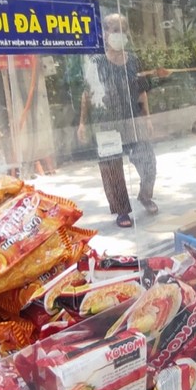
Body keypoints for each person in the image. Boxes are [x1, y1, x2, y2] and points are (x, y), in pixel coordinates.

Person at [77, 13, 158, 229]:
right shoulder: (96, 62)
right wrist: (82, 123)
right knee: (112, 169)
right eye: (114, 29)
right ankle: (122, 210)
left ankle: (145, 195)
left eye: (123, 30)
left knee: (148, 161)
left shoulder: (134, 60)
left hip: (133, 119)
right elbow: (87, 94)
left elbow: (142, 92)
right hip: (107, 123)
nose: (119, 35)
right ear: (104, 34)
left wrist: (147, 118)